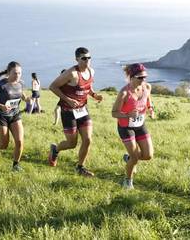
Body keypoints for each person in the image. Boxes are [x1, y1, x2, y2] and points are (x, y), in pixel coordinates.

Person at [48, 47, 103, 177]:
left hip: (83, 110)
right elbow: (53, 86)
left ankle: (80, 167)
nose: (87, 61)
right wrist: (68, 99)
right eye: (84, 58)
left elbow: (87, 86)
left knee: (88, 139)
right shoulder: (71, 73)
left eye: (89, 58)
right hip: (68, 111)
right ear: (77, 59)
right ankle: (55, 149)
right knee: (72, 143)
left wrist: (94, 95)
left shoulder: (91, 71)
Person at [111, 63, 155, 189]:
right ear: (132, 77)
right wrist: (128, 115)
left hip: (140, 125)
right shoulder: (124, 93)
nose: (143, 80)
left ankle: (129, 159)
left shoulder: (147, 87)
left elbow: (148, 99)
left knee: (148, 155)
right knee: (135, 158)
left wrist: (151, 109)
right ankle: (128, 181)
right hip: (126, 127)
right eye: (140, 77)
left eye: (145, 77)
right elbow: (114, 113)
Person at [0, 61, 28, 171]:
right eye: (15, 73)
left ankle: (15, 165)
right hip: (1, 116)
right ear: (9, 72)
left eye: (19, 73)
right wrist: (0, 105)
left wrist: (27, 99)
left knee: (19, 141)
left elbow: (21, 93)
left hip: (15, 115)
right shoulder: (1, 85)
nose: (18, 75)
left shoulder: (20, 83)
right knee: (4, 144)